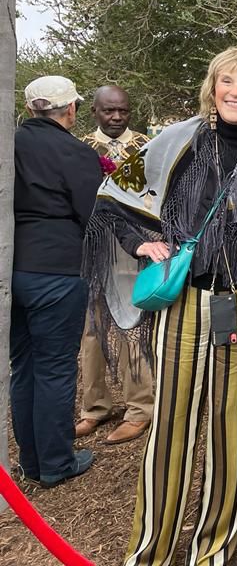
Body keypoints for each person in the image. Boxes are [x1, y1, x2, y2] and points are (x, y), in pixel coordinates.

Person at [83, 47, 237, 566]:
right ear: (212, 86)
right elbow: (111, 202)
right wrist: (142, 243)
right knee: (171, 425)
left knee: (234, 429)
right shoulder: (173, 141)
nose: (235, 92)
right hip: (184, 304)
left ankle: (215, 548)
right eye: (227, 80)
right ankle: (150, 549)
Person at [12, 75, 103, 488]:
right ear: (71, 110)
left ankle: (30, 461)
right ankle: (55, 463)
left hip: (12, 268)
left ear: (32, 109)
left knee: (24, 366)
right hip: (57, 270)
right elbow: (92, 216)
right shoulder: (76, 153)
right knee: (55, 369)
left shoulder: (10, 142)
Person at [76, 85, 154, 445]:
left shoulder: (146, 146)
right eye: (109, 111)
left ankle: (140, 407)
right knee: (92, 329)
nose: (117, 117)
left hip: (131, 250)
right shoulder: (79, 149)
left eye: (123, 111)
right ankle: (95, 407)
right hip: (91, 249)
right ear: (94, 111)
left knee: (131, 324)